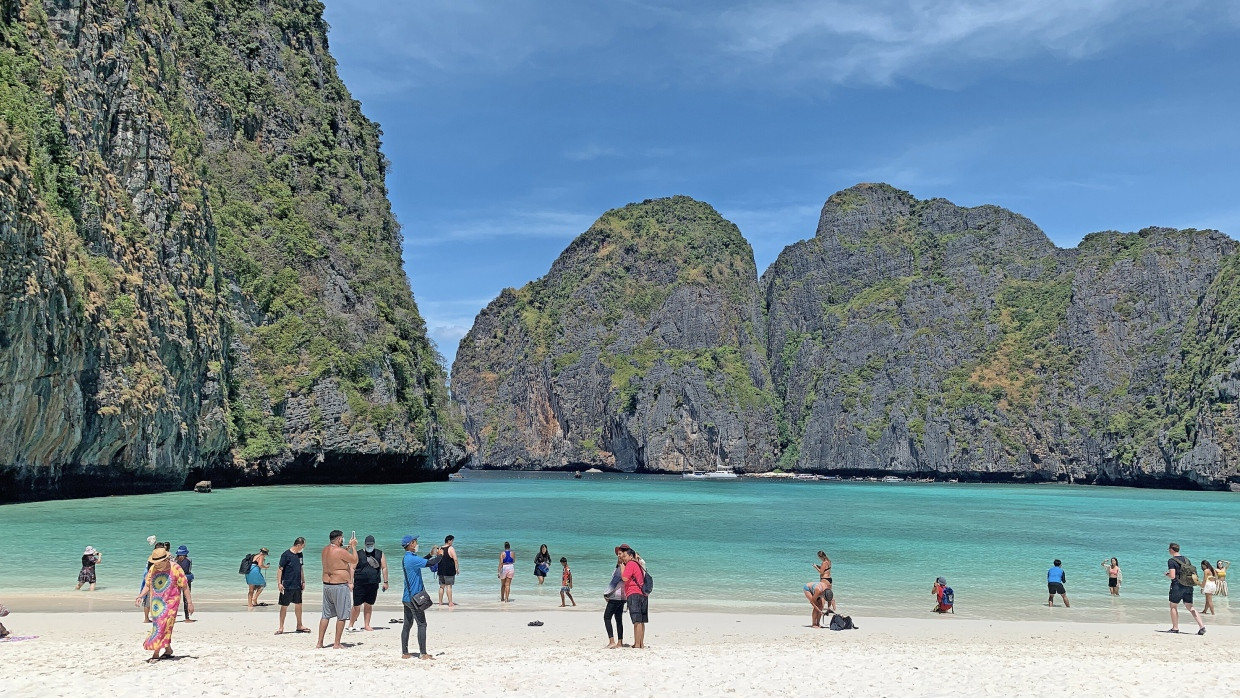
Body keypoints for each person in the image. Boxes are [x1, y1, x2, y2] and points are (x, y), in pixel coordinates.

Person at [134, 547, 192, 663]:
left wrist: (189, 603)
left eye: (159, 563)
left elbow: (184, 586)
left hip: (171, 603)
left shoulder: (175, 568)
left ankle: (155, 653)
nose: (157, 566)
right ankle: (168, 650)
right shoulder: (153, 569)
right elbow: (148, 585)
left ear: (166, 560)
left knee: (162, 626)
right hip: (156, 603)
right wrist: (140, 596)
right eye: (155, 563)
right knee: (163, 627)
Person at [400, 535, 442, 660]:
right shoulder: (411, 559)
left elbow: (423, 561)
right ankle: (423, 653)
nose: (417, 544)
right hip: (414, 599)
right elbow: (431, 563)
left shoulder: (408, 558)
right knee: (422, 624)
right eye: (416, 542)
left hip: (407, 597)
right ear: (411, 544)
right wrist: (440, 555)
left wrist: (430, 554)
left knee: (407, 625)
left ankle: (405, 652)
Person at [317, 530, 358, 649]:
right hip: (339, 586)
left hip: (327, 585)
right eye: (342, 538)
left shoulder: (325, 550)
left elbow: (336, 558)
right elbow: (354, 560)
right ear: (339, 539)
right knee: (342, 615)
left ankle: (319, 642)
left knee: (325, 615)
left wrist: (347, 549)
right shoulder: (340, 551)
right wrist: (354, 548)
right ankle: (337, 643)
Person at [348, 535, 389, 632]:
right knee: (356, 605)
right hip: (359, 583)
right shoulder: (358, 554)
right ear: (365, 544)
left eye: (371, 545)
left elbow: (384, 567)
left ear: (374, 544)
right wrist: (350, 582)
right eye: (367, 545)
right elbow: (352, 568)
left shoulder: (380, 553)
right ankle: (351, 624)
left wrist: (386, 582)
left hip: (373, 583)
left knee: (369, 604)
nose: (369, 546)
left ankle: (367, 625)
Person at [1166, 543, 1205, 635]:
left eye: (1169, 549)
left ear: (1171, 549)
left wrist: (1167, 574)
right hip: (1189, 585)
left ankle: (1175, 628)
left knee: (1173, 606)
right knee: (1190, 606)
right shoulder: (1187, 560)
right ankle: (1202, 626)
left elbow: (1172, 576)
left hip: (1177, 586)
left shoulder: (1171, 561)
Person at [276, 537, 309, 635]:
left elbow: (301, 568)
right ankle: (281, 627)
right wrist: (279, 583)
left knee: (298, 604)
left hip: (297, 584)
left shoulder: (300, 554)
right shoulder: (286, 555)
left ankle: (299, 625)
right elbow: (280, 569)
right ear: (298, 545)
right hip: (287, 585)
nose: (304, 547)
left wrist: (303, 581)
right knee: (284, 606)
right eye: (303, 545)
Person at [619, 545, 648, 648]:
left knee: (637, 620)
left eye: (625, 556)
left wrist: (622, 568)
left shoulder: (630, 564)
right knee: (641, 620)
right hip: (643, 594)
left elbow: (625, 578)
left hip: (634, 593)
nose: (624, 558)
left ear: (631, 556)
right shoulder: (638, 564)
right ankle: (641, 643)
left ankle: (637, 644)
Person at [603, 546, 627, 648]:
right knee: (618, 619)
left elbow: (614, 583)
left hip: (615, 596)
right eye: (618, 554)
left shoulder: (621, 567)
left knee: (607, 617)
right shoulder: (627, 566)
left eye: (620, 554)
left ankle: (612, 641)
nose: (618, 555)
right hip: (622, 597)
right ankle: (620, 642)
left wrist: (606, 593)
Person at [437, 535, 459, 607]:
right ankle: (450, 602)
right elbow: (455, 559)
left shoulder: (440, 548)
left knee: (441, 586)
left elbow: (437, 559)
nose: (452, 542)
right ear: (449, 541)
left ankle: (440, 602)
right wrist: (457, 568)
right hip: (449, 571)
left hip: (441, 570)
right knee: (449, 586)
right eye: (452, 541)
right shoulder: (451, 548)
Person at [175, 546, 195, 622]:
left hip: (182, 580)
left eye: (181, 555)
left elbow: (184, 569)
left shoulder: (178, 560)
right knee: (180, 598)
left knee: (182, 598)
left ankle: (186, 617)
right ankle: (185, 617)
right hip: (183, 580)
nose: (181, 556)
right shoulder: (184, 560)